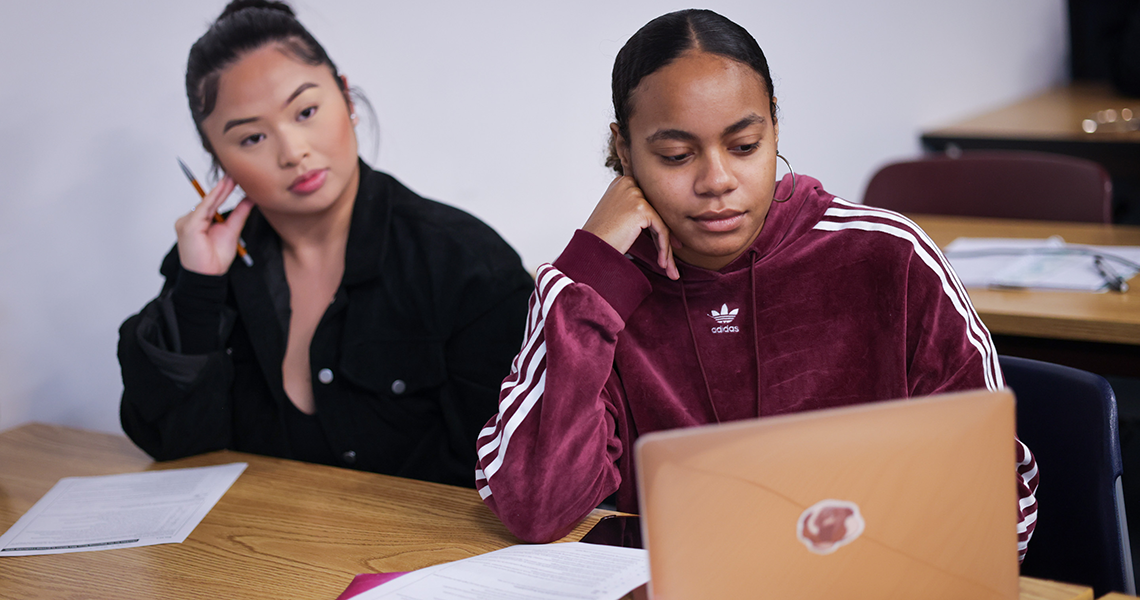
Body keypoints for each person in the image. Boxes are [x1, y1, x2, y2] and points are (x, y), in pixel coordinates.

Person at [474, 9, 1039, 561]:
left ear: (774, 124)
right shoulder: (596, 291)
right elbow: (535, 504)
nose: (717, 181)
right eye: (676, 155)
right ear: (625, 151)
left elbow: (998, 494)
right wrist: (588, 271)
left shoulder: (887, 255)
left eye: (744, 146)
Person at [118, 0, 532, 488]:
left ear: (347, 100)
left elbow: (514, 480)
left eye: (306, 111)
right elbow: (174, 450)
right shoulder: (208, 268)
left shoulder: (465, 264)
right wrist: (199, 290)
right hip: (254, 556)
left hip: (422, 563)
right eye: (251, 138)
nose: (293, 151)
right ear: (218, 162)